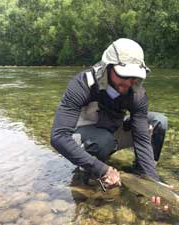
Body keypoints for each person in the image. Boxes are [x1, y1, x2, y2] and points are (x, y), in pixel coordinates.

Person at [50, 38, 170, 208]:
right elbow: (58, 136)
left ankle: (140, 174)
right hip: (88, 135)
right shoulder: (81, 84)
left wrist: (153, 182)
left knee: (159, 122)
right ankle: (89, 175)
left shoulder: (137, 93)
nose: (129, 82)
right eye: (124, 75)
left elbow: (142, 138)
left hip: (113, 130)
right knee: (102, 142)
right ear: (107, 67)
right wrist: (102, 169)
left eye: (134, 76)